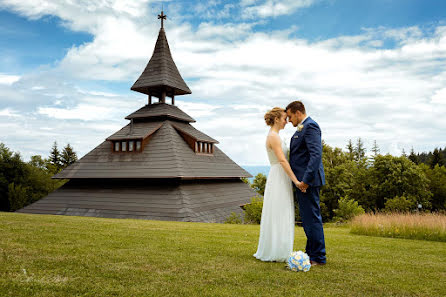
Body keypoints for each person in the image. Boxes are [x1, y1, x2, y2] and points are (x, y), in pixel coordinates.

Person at [253, 107, 303, 262]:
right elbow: (282, 160)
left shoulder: (276, 136)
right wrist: (296, 181)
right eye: (284, 118)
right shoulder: (273, 137)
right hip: (279, 175)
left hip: (281, 175)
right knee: (279, 212)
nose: (286, 121)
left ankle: (280, 248)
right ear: (276, 119)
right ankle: (276, 250)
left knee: (282, 211)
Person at [286, 101, 326, 265]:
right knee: (308, 219)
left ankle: (318, 256)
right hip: (303, 181)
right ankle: (311, 253)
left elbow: (315, 155)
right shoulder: (303, 127)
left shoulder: (310, 126)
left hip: (307, 182)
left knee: (312, 219)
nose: (288, 120)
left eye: (289, 116)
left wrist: (305, 181)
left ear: (297, 112)